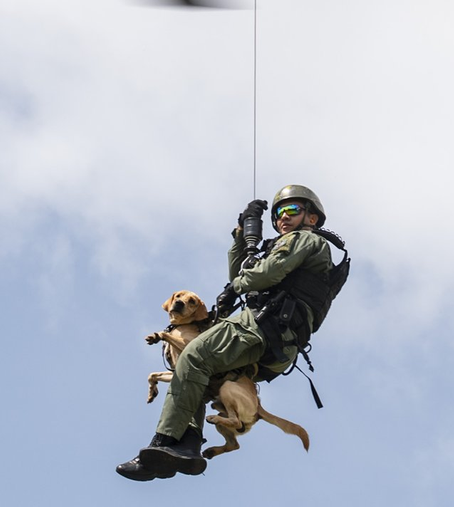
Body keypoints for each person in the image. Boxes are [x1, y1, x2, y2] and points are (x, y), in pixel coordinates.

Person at [116, 185, 334, 481]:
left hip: (265, 326)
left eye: (292, 210)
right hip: (275, 341)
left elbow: (265, 274)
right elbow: (241, 275)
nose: (283, 216)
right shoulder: (284, 246)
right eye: (279, 212)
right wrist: (241, 235)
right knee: (198, 374)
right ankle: (182, 447)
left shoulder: (306, 240)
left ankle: (166, 441)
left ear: (312, 218)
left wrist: (236, 288)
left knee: (193, 356)